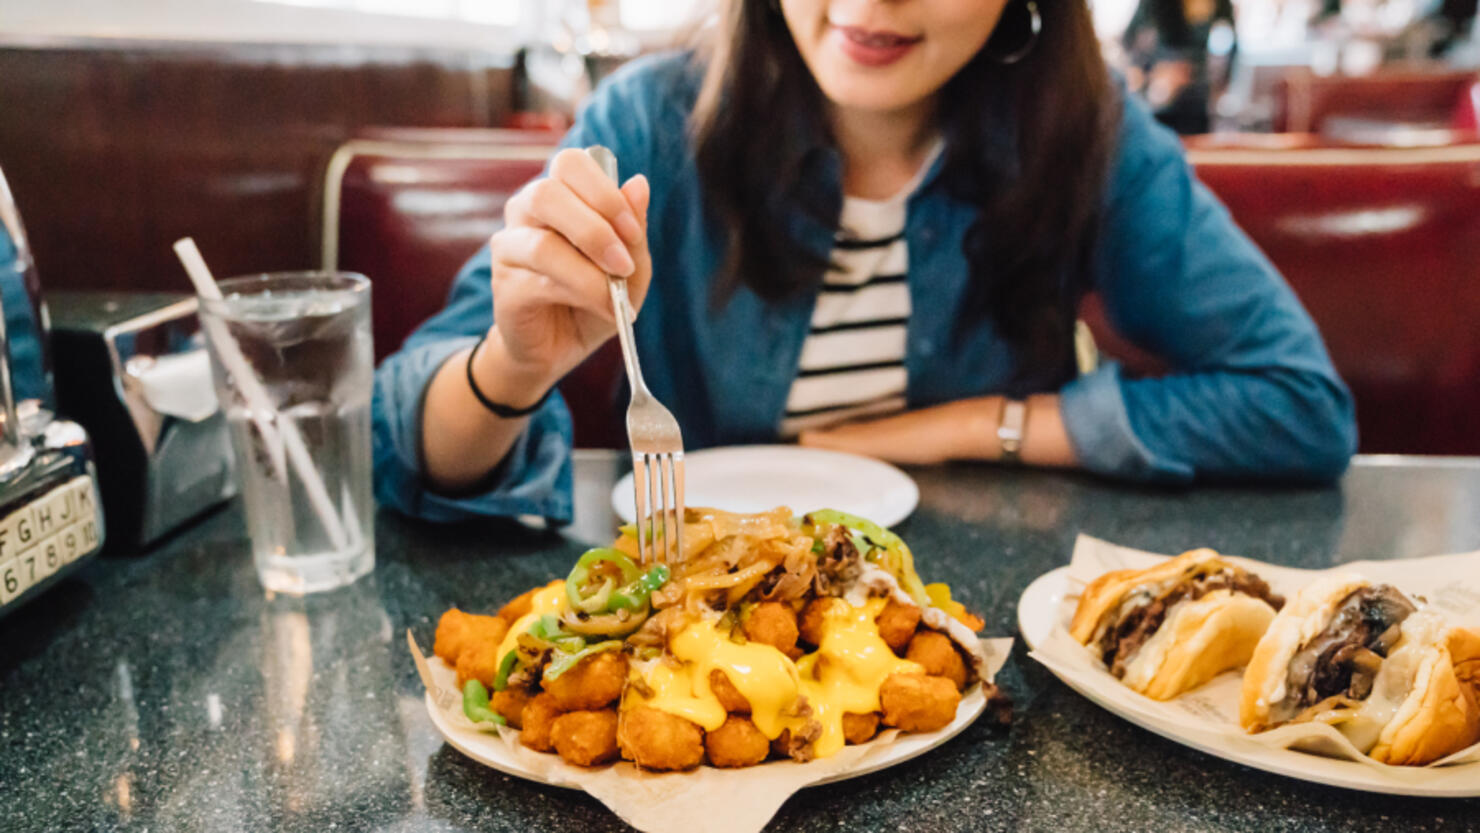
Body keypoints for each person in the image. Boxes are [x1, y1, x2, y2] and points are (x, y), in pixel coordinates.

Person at [373, 0, 1356, 524]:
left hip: (981, 645)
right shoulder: (646, 121)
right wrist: (513, 363)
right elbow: (403, 448)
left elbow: (1298, 404)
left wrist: (960, 426)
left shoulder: (1085, 133)